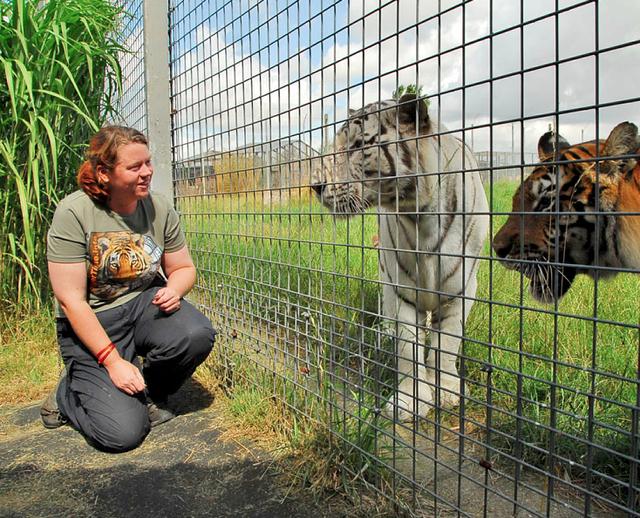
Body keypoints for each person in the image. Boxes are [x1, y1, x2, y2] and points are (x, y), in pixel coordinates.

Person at [41, 126, 216, 453]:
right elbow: (71, 300)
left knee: (195, 334)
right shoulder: (74, 212)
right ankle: (70, 393)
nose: (147, 172)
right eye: (135, 167)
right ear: (104, 173)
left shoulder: (159, 207)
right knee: (122, 436)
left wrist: (175, 289)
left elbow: (184, 269)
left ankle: (146, 392)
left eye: (148, 162)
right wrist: (111, 361)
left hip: (143, 307)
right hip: (92, 322)